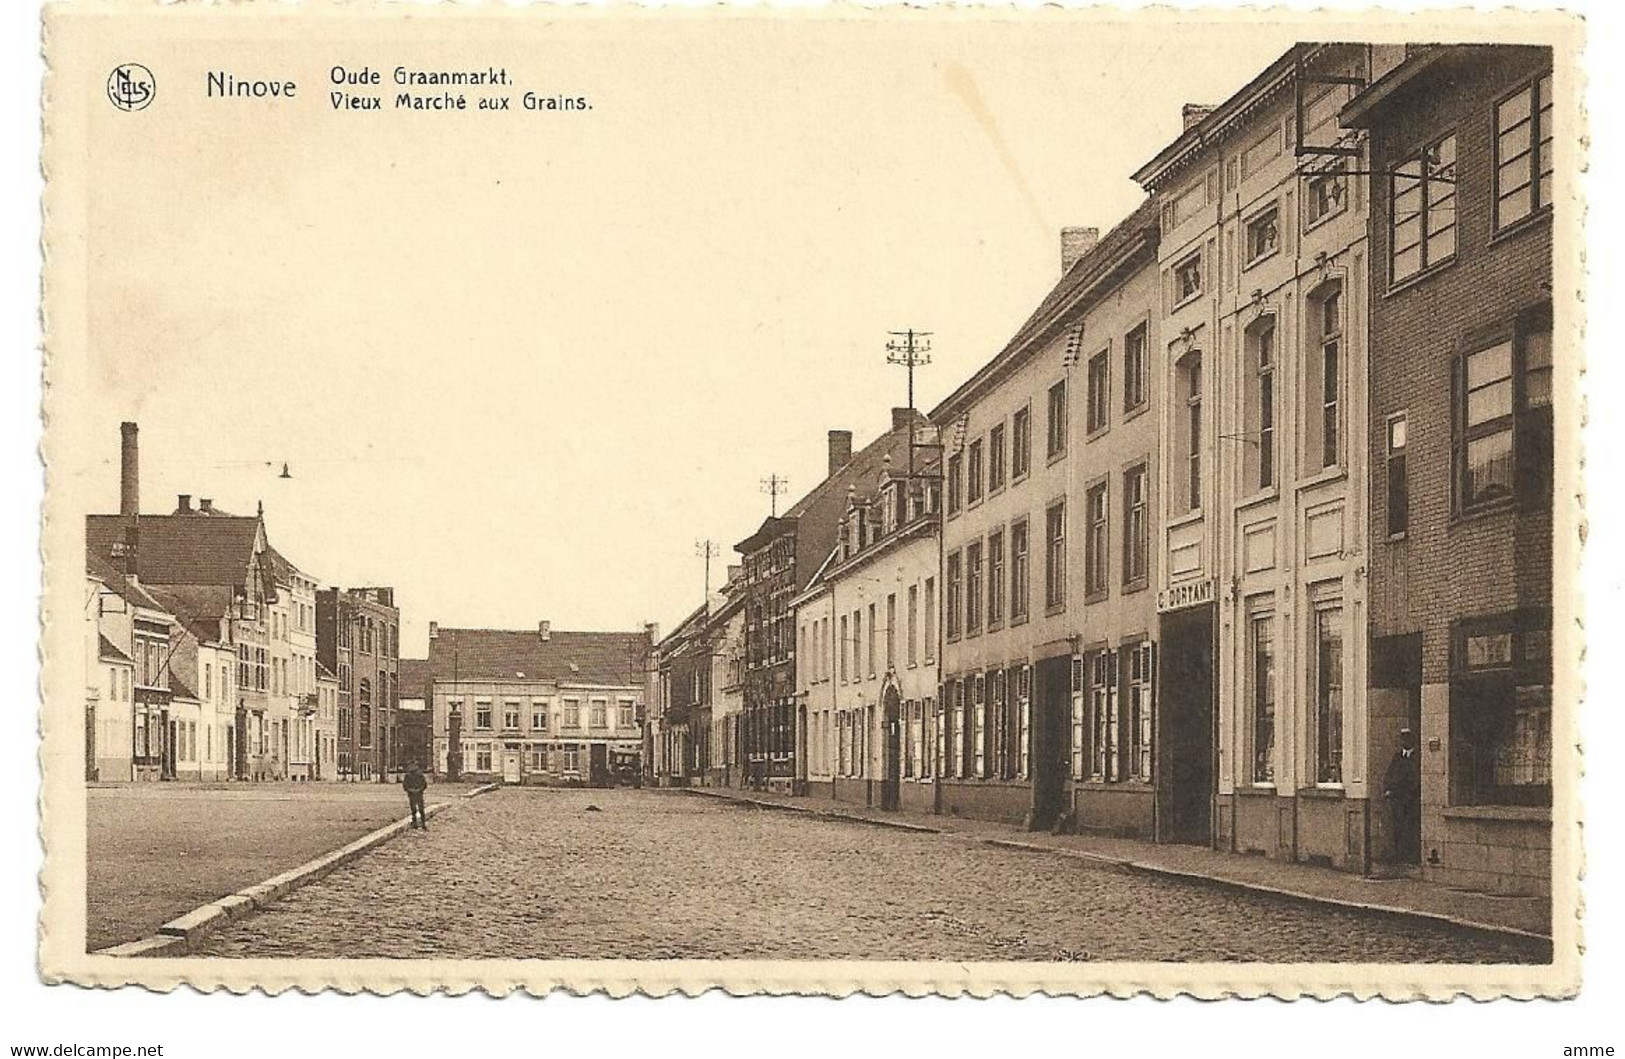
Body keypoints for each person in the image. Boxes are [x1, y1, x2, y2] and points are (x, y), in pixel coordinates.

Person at [1382, 727, 1421, 864]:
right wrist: (1388, 789)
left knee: (1410, 827)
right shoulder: (1397, 757)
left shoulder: (1417, 757)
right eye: (1402, 738)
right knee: (1397, 827)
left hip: (1410, 800)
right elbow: (1389, 775)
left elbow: (1416, 779)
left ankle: (1411, 856)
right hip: (1397, 800)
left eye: (1407, 738)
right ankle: (1399, 855)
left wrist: (1410, 794)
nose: (1404, 741)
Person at [403, 761, 429, 830]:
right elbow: (405, 786)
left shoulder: (419, 775)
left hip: (417, 793)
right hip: (414, 794)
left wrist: (417, 790)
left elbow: (424, 784)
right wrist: (412, 790)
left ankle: (421, 823)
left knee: (419, 809)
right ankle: (417, 823)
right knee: (415, 809)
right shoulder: (408, 775)